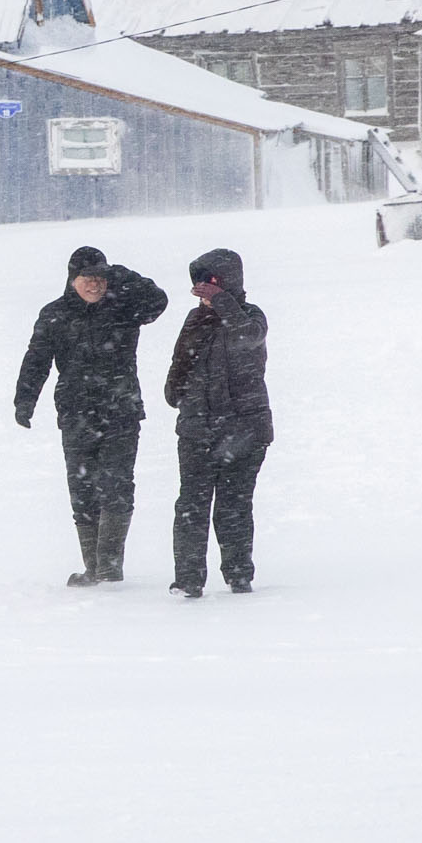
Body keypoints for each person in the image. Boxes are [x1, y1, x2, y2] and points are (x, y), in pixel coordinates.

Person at [13, 243, 168, 585]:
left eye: (101, 278)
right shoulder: (54, 314)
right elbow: (36, 359)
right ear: (72, 280)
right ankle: (94, 568)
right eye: (88, 278)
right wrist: (24, 400)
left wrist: (120, 273)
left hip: (121, 411)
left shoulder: (124, 307)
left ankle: (109, 568)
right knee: (83, 491)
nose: (96, 285)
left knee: (116, 485)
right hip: (76, 414)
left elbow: (159, 300)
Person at [161, 247, 272, 596]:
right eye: (200, 283)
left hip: (244, 430)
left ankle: (239, 576)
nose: (203, 289)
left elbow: (247, 338)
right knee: (191, 506)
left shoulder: (251, 316)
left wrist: (223, 302)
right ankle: (188, 580)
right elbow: (180, 362)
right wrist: (175, 394)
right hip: (196, 430)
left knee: (234, 506)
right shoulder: (194, 320)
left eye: (211, 282)